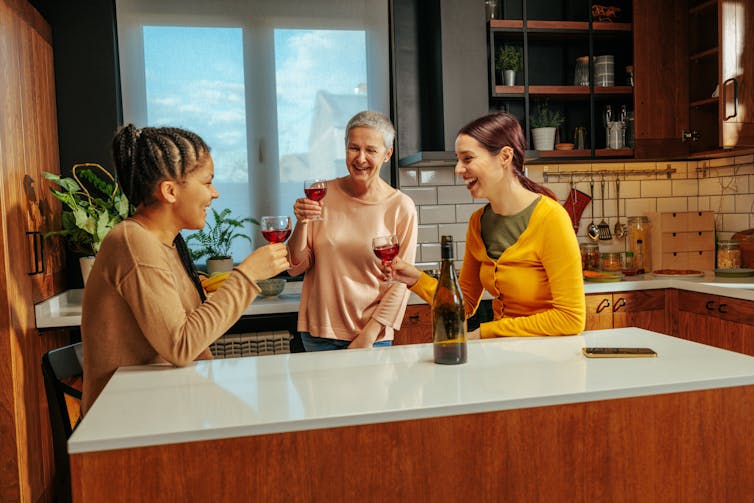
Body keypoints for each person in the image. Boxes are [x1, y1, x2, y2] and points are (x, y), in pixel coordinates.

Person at [80, 125, 289, 413]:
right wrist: (247, 275)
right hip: (126, 422)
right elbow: (181, 346)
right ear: (169, 191)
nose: (214, 194)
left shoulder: (167, 242)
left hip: (161, 406)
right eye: (207, 182)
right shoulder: (134, 242)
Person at [388, 112, 585, 338]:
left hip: (548, 359)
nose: (458, 169)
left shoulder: (551, 218)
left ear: (504, 156)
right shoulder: (478, 223)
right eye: (458, 159)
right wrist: (415, 278)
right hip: (503, 356)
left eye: (468, 158)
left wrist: (486, 333)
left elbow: (571, 319)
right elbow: (465, 302)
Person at [288, 110, 418, 351]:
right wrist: (302, 222)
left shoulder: (401, 207)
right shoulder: (321, 193)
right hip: (319, 333)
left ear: (387, 154)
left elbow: (401, 283)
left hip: (372, 338)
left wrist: (367, 337)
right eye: (353, 148)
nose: (360, 158)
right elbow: (296, 265)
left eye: (371, 150)